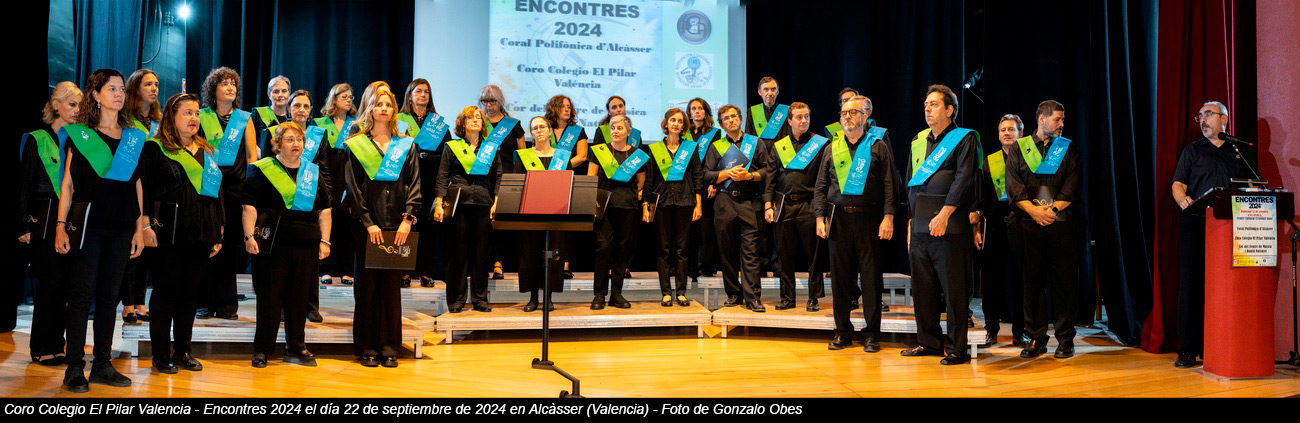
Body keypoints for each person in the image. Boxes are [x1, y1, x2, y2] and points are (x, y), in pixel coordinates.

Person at [54, 68, 148, 392]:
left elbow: (137, 185)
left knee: (110, 298)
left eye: (122, 89)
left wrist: (139, 228)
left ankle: (103, 364)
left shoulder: (133, 137)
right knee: (81, 297)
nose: (119, 94)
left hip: (121, 228)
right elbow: (67, 184)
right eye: (112, 89)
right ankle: (74, 367)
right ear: (95, 95)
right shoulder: (81, 136)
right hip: (88, 227)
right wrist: (60, 227)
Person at [140, 93, 225, 374]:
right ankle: (160, 354)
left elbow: (217, 191)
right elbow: (143, 189)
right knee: (166, 292)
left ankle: (183, 350)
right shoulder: (155, 148)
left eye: (197, 113)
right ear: (171, 116)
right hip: (168, 232)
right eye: (187, 113)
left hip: (201, 231)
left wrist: (219, 227)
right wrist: (145, 225)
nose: (194, 118)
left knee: (190, 294)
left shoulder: (206, 149)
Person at [1170, 101, 1256, 368]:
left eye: (1208, 114)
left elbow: (1255, 185)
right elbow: (1178, 183)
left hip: (1233, 227)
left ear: (1224, 119)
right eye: (1200, 116)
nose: (1203, 120)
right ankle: (1187, 349)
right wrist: (1182, 199)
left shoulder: (1240, 150)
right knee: (1192, 286)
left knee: (1228, 287)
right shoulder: (1193, 150)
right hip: (1197, 224)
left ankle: (1218, 347)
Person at [901, 84, 980, 365]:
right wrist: (911, 221)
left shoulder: (965, 138)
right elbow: (910, 180)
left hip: (950, 225)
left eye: (934, 104)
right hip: (920, 224)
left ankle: (957, 348)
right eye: (926, 105)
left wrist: (945, 214)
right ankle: (929, 342)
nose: (927, 109)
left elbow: (964, 179)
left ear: (949, 110)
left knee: (954, 288)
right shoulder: (919, 139)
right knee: (923, 288)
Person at [243, 121, 332, 368]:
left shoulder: (312, 172)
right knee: (270, 299)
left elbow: (325, 209)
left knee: (299, 299)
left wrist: (325, 240)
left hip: (306, 244)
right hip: (273, 245)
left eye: (299, 139)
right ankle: (262, 349)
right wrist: (249, 237)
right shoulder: (262, 170)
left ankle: (296, 346)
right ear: (277, 144)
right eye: (290, 139)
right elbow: (249, 206)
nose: (296, 144)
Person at [343, 86, 420, 368]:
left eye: (388, 104)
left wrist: (407, 219)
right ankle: (366, 347)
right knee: (366, 288)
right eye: (378, 104)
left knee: (390, 289)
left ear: (394, 110)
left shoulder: (406, 144)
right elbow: (353, 188)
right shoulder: (355, 144)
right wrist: (368, 223)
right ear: (370, 109)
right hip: (366, 228)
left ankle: (389, 347)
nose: (384, 109)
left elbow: (414, 184)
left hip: (398, 227)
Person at [815, 96, 897, 352]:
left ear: (865, 116)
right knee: (840, 279)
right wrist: (819, 217)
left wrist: (888, 217)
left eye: (853, 112)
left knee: (871, 279)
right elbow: (820, 186)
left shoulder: (878, 146)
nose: (847, 117)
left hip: (869, 219)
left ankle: (872, 334)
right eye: (844, 113)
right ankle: (842, 332)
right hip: (838, 220)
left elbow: (889, 185)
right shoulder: (832, 148)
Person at [1006, 100, 1083, 359]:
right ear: (1042, 119)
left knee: (1064, 283)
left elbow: (1072, 185)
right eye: (1057, 119)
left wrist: (1051, 211)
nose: (1062, 124)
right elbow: (1013, 186)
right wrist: (1035, 212)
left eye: (1063, 120)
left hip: (1061, 225)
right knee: (1032, 283)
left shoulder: (1068, 148)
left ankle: (1065, 339)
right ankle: (1036, 337)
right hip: (1028, 226)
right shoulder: (1019, 148)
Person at [18, 81, 79, 366]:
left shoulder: (80, 139)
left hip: (70, 221)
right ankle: (41, 347)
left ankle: (58, 346)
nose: (77, 110)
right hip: (43, 220)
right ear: (56, 105)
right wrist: (22, 225)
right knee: (49, 285)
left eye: (80, 105)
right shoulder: (37, 139)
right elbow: (24, 183)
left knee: (66, 285)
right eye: (72, 104)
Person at [195, 67, 256, 321]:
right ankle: (203, 303)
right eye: (224, 83)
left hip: (234, 189)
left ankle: (227, 304)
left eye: (233, 84)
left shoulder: (244, 119)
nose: (230, 87)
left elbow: (252, 155)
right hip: (208, 186)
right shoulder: (201, 116)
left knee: (229, 247)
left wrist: (251, 189)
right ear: (213, 89)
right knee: (207, 243)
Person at [435, 106, 507, 313]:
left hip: (484, 203)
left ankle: (480, 300)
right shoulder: (452, 147)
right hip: (459, 204)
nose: (475, 120)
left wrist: (497, 201)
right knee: (458, 253)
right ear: (462, 123)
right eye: (470, 117)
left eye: (478, 117)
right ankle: (456, 301)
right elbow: (442, 176)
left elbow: (498, 175)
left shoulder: (491, 148)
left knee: (481, 254)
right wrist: (439, 203)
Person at [704, 104, 774, 312]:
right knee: (727, 251)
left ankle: (753, 298)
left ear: (741, 119)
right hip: (724, 202)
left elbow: (767, 171)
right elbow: (707, 174)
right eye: (726, 118)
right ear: (721, 124)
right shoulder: (716, 146)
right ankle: (734, 294)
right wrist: (727, 173)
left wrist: (749, 176)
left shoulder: (755, 142)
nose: (731, 120)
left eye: (734, 116)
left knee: (751, 251)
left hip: (749, 202)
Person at [766, 102, 829, 312]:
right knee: (784, 256)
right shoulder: (779, 146)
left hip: (810, 204)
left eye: (807, 116)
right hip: (784, 205)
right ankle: (787, 298)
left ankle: (814, 298)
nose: (804, 121)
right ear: (790, 121)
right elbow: (770, 179)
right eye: (799, 117)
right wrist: (768, 205)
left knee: (814, 255)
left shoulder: (820, 144)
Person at [976, 114, 1028, 347]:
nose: (1007, 133)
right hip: (994, 226)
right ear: (998, 135)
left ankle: (1020, 331)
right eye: (1003, 130)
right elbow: (979, 196)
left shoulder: (1029, 160)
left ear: (1021, 134)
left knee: (1021, 280)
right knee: (991, 280)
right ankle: (991, 330)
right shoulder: (989, 161)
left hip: (1022, 224)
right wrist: (977, 228)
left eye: (1011, 129)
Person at [641, 108, 701, 307]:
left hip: (685, 202)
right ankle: (666, 292)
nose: (676, 124)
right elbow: (649, 179)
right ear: (665, 124)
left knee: (682, 250)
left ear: (684, 126)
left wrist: (698, 204)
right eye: (672, 120)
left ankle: (681, 292)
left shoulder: (690, 148)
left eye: (680, 121)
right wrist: (646, 205)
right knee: (664, 249)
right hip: (661, 203)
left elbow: (697, 176)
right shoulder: (655, 149)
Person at [587, 114, 648, 309]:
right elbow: (591, 177)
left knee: (622, 250)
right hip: (604, 208)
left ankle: (616, 294)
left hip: (627, 207)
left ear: (629, 132)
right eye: (613, 127)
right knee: (603, 248)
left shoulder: (637, 155)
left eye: (620, 128)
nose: (615, 131)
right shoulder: (600, 151)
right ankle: (599, 295)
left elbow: (641, 182)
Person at [397, 79, 452, 288]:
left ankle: (426, 272)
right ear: (409, 95)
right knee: (407, 223)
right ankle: (404, 271)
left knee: (429, 228)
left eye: (426, 92)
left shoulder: (437, 123)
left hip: (431, 177)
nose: (423, 95)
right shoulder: (400, 120)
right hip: (407, 177)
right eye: (418, 91)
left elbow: (448, 151)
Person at [282, 90, 330, 323]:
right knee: (284, 261)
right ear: (289, 108)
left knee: (310, 259)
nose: (301, 110)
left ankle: (311, 306)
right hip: (283, 202)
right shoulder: (278, 132)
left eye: (306, 106)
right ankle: (283, 306)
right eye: (297, 105)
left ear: (311, 111)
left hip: (310, 198)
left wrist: (326, 198)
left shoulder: (317, 135)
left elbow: (325, 168)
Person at [120, 69, 162, 324]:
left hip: (154, 188)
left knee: (147, 249)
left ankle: (140, 301)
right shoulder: (125, 120)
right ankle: (127, 304)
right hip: (132, 185)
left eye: (156, 84)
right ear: (135, 88)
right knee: (131, 249)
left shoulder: (158, 123)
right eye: (148, 84)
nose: (154, 88)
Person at [512, 116, 566, 311]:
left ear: (550, 131)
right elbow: (517, 184)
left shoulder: (561, 157)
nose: (539, 130)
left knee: (553, 254)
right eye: (535, 128)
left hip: (556, 212)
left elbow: (566, 184)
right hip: (530, 212)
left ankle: (548, 297)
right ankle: (533, 297)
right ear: (531, 133)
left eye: (542, 127)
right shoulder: (523, 156)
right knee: (530, 254)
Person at [480, 86, 524, 282]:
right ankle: (481, 263)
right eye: (485, 101)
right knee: (483, 223)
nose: (489, 105)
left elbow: (522, 155)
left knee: (501, 223)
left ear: (501, 102)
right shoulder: (478, 123)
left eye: (493, 101)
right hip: (483, 178)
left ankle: (498, 262)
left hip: (507, 178)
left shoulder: (513, 125)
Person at [317, 83, 359, 286]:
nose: (349, 100)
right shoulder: (322, 124)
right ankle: (326, 269)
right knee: (327, 224)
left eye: (351, 97)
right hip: (327, 177)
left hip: (348, 178)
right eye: (344, 96)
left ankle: (347, 271)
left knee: (347, 226)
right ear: (334, 99)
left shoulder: (356, 125)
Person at [544, 94, 589, 278]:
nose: (567, 109)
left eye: (569, 106)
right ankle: (547, 263)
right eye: (563, 106)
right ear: (554, 108)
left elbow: (582, 156)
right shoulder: (545, 128)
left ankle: (565, 264)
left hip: (568, 180)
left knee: (567, 225)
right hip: (547, 182)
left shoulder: (576, 131)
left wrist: (562, 165)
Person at [687, 98, 721, 279]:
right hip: (687, 184)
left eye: (700, 108)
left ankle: (706, 267)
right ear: (689, 113)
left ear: (706, 111)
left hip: (706, 183)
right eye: (693, 108)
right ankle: (689, 268)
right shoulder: (685, 133)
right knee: (689, 229)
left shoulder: (714, 134)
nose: (697, 111)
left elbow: (715, 160)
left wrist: (713, 183)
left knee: (706, 229)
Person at [253, 75, 291, 158]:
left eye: (284, 91)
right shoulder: (258, 114)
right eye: (276, 91)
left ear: (289, 94)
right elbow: (250, 141)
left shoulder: (292, 118)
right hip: (263, 161)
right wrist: (263, 156)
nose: (280, 95)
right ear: (269, 95)